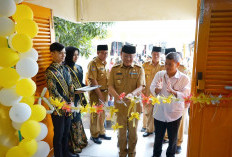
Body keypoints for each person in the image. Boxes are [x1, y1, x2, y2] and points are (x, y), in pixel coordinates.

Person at [150, 52, 190, 157]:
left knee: (173, 138)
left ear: (177, 64)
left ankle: (170, 155)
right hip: (159, 112)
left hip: (174, 114)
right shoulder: (159, 74)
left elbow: (186, 94)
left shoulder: (184, 78)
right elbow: (152, 87)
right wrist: (157, 90)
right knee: (158, 137)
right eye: (165, 64)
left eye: (170, 64)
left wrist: (174, 92)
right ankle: (156, 155)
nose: (167, 67)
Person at [109, 45, 145, 157]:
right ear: (121, 55)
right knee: (121, 133)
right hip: (120, 107)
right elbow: (110, 86)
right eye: (125, 56)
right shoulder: (115, 69)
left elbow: (141, 86)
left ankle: (132, 153)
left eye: (130, 56)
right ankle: (122, 153)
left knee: (133, 133)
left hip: (134, 107)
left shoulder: (139, 69)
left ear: (134, 56)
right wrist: (117, 96)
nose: (128, 59)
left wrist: (132, 94)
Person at [45, 42, 76, 157]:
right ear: (52, 54)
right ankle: (59, 155)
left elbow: (71, 86)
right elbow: (53, 91)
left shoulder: (65, 68)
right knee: (59, 133)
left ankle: (66, 153)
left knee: (66, 132)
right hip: (57, 108)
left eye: (64, 53)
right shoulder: (50, 71)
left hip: (68, 106)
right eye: (60, 53)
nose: (63, 55)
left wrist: (71, 102)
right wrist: (65, 104)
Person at [64, 46, 88, 155]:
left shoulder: (79, 67)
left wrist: (87, 87)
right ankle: (72, 145)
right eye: (74, 55)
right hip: (69, 100)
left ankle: (80, 141)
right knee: (71, 122)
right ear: (68, 55)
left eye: (77, 55)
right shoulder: (64, 68)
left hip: (78, 98)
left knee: (78, 119)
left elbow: (80, 83)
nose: (76, 57)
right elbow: (64, 87)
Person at [87, 45, 111, 144]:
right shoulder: (93, 64)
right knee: (95, 114)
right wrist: (100, 94)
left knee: (102, 114)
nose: (105, 55)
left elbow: (107, 79)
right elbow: (93, 80)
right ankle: (94, 135)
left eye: (106, 53)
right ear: (98, 53)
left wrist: (109, 92)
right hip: (96, 93)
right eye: (103, 53)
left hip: (104, 92)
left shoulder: (104, 63)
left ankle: (102, 132)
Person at [141, 46, 165, 137]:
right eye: (154, 54)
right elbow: (142, 79)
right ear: (151, 54)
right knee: (148, 112)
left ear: (160, 55)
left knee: (159, 112)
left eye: (158, 54)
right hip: (147, 93)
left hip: (159, 94)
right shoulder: (145, 65)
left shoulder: (163, 66)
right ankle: (149, 130)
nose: (156, 56)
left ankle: (159, 132)